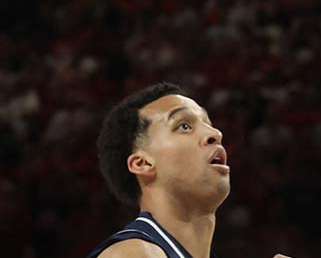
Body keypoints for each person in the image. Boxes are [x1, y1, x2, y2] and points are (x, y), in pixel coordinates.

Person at [90, 83, 288, 258]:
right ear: (143, 163)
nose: (215, 134)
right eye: (184, 126)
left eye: (208, 124)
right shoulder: (134, 254)